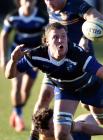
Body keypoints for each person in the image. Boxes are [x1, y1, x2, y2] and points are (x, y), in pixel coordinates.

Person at [5, 22, 103, 140]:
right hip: (66, 90)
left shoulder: (77, 53)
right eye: (55, 37)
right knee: (61, 134)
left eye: (63, 36)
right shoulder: (36, 55)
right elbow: (10, 74)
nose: (60, 40)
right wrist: (13, 61)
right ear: (46, 41)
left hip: (89, 86)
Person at [0, 0, 48, 132]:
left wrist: (42, 58)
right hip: (16, 55)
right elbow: (4, 35)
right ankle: (19, 116)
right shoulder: (12, 17)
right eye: (26, 0)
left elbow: (47, 38)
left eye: (31, 0)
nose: (28, 3)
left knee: (26, 91)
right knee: (16, 85)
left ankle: (17, 111)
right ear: (19, 2)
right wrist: (3, 58)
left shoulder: (42, 17)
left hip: (34, 57)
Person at [32, 108, 103, 140]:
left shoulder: (60, 125)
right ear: (44, 131)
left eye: (56, 121)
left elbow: (82, 127)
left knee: (90, 118)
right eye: (53, 125)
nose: (58, 125)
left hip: (78, 135)